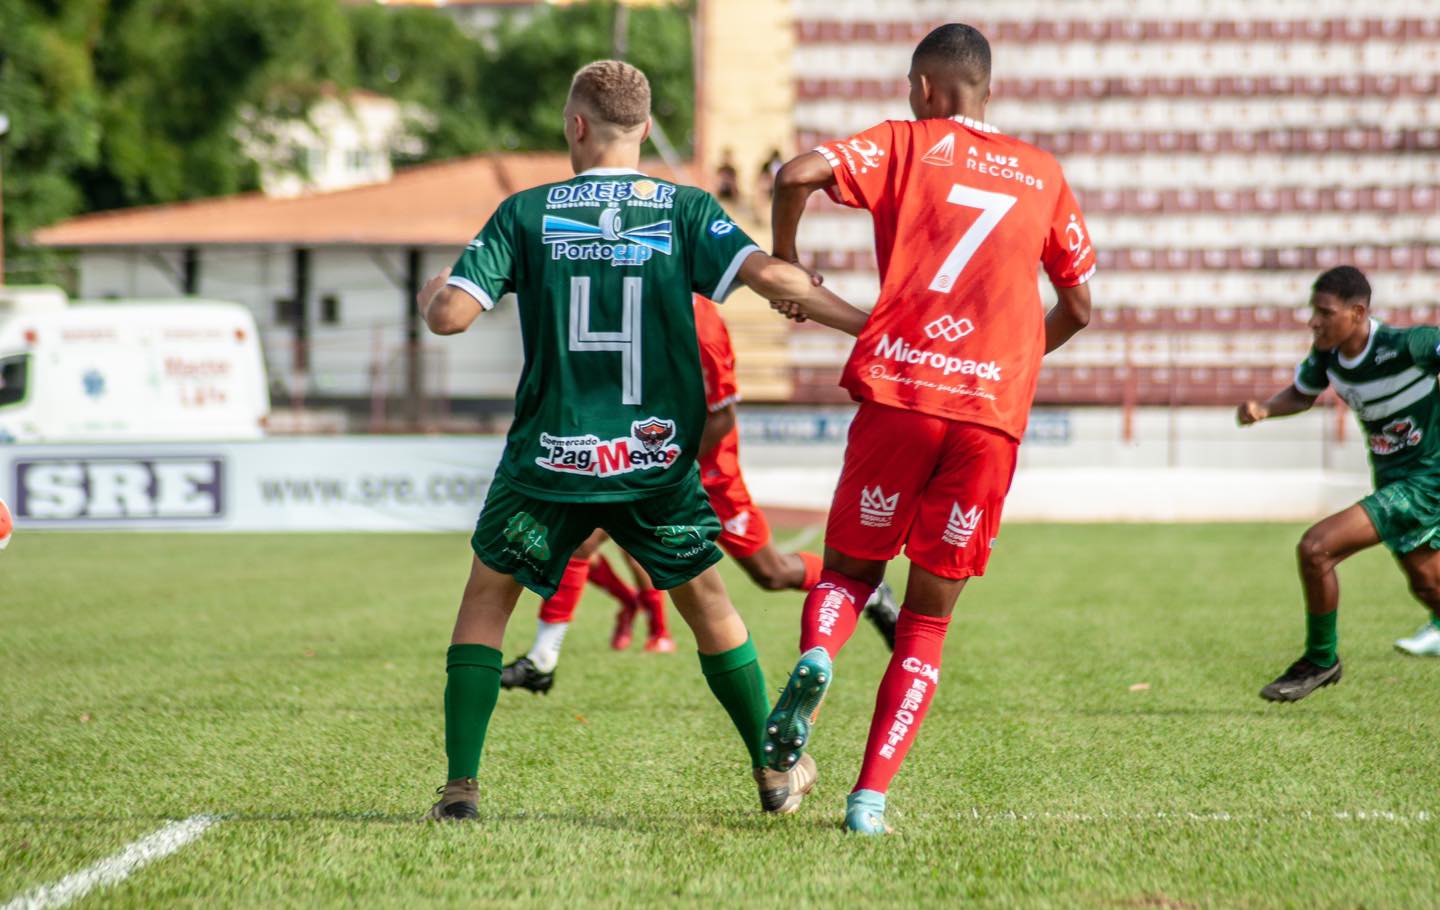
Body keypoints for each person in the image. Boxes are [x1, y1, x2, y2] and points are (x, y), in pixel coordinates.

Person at [416, 60, 869, 822]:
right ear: (645, 129)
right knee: (711, 606)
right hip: (654, 463)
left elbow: (452, 319)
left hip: (549, 462)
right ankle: (771, 772)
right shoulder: (685, 210)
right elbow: (773, 278)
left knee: (487, 602)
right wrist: (871, 325)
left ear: (576, 126)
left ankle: (461, 788)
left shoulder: (525, 213)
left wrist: (437, 293)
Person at [762, 23, 1095, 835]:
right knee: (927, 621)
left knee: (846, 576)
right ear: (987, 88)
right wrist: (1010, 362)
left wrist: (789, 259)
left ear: (922, 89)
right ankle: (869, 801)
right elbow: (1082, 307)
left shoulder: (906, 142)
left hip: (902, 399)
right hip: (988, 420)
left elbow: (795, 173)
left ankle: (818, 657)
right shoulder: (1043, 174)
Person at [499, 295, 900, 695]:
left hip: (706, 468)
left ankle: (867, 592)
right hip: (644, 454)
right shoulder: (633, 295)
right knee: (583, 541)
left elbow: (721, 417)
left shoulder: (702, 325)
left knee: (771, 572)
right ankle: (542, 660)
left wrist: (672, 468)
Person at [1239, 266, 1440, 700]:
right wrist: (1265, 409)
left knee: (1316, 548)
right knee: (1429, 586)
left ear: (1357, 312)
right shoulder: (1327, 355)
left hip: (1426, 482)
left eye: (1324, 312)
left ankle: (1320, 659)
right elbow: (1302, 393)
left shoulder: (1407, 344)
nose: (1314, 320)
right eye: (1313, 311)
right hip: (1393, 481)